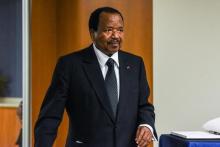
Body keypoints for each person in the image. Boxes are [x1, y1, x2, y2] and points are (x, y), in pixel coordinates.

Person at [34, 7, 157, 147]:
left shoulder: (135, 64)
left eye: (120, 30)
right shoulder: (70, 65)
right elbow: (50, 117)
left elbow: (144, 105)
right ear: (93, 33)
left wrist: (146, 124)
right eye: (108, 30)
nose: (116, 35)